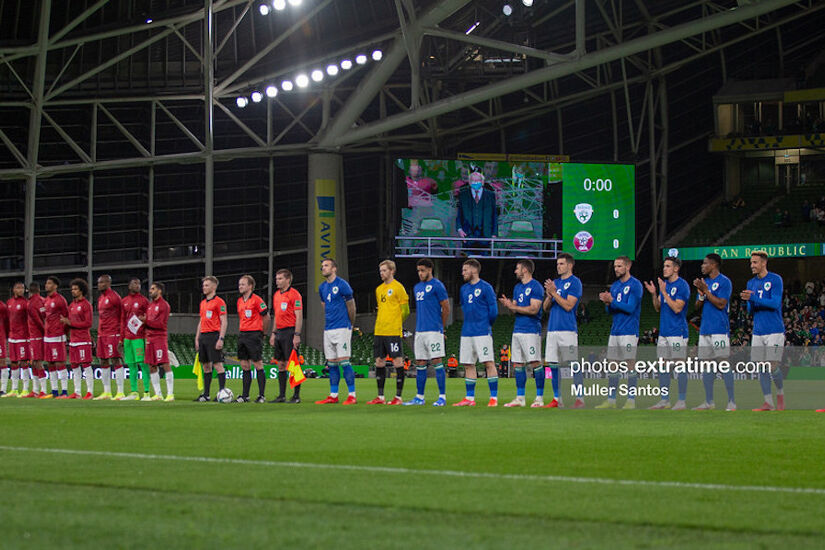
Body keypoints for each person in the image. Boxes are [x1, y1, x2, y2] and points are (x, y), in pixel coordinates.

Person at [596, 256, 643, 409]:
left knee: (630, 364)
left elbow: (630, 308)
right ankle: (611, 400)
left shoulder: (635, 285)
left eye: (619, 266)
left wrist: (612, 301)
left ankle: (631, 400)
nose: (616, 269)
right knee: (613, 366)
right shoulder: (615, 286)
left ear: (628, 266)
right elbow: (610, 311)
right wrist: (607, 302)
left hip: (629, 331)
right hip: (615, 330)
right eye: (615, 266)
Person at [691, 253, 735, 411]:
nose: (702, 266)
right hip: (705, 330)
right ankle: (709, 402)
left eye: (705, 263)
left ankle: (731, 402)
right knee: (707, 366)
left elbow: (721, 304)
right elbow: (697, 306)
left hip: (719, 329)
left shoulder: (724, 281)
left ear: (714, 265)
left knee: (723, 364)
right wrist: (702, 294)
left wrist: (706, 291)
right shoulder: (705, 282)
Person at [741, 251, 785, 411]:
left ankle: (780, 394)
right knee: (761, 366)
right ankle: (768, 402)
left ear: (763, 263)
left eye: (755, 263)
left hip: (774, 329)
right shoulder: (750, 283)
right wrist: (748, 301)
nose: (752, 266)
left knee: (772, 365)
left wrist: (753, 299)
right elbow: (750, 310)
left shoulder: (775, 279)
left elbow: (774, 303)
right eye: (751, 263)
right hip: (758, 330)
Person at [645, 257, 690, 410]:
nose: (664, 269)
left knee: (679, 367)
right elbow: (658, 307)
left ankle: (682, 401)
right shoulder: (666, 285)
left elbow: (677, 308)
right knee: (663, 367)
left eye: (667, 266)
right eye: (664, 266)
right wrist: (654, 293)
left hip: (677, 332)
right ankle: (665, 400)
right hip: (664, 332)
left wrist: (664, 292)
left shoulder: (682, 285)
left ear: (676, 269)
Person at [454, 259, 499, 407]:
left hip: (482, 331)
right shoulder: (463, 289)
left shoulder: (486, 287)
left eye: (465, 270)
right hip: (467, 332)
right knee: (468, 364)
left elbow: (494, 311)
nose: (463, 273)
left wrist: (486, 325)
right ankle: (469, 398)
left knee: (488, 363)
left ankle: (493, 398)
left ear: (474, 270)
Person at [499, 259, 544, 408]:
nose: (515, 271)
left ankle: (539, 397)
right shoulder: (517, 288)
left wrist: (515, 307)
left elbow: (534, 309)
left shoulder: (536, 286)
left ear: (525, 270)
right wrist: (509, 306)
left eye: (517, 268)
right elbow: (515, 310)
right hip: (517, 330)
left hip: (531, 330)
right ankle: (520, 398)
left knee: (535, 362)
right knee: (518, 364)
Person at [405, 258, 450, 406]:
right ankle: (419, 397)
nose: (420, 273)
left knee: (437, 361)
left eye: (422, 270)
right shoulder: (417, 287)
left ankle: (442, 397)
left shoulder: (437, 286)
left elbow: (446, 308)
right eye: (418, 270)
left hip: (433, 330)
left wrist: (440, 328)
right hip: (420, 331)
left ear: (430, 270)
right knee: (420, 362)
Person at [543, 253, 583, 408]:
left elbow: (568, 306)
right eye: (557, 264)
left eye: (561, 264)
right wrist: (548, 296)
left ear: (570, 265)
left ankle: (580, 398)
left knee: (573, 364)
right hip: (552, 329)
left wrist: (553, 293)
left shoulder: (575, 282)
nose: (558, 266)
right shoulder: (556, 283)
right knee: (553, 364)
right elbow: (545, 308)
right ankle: (556, 398)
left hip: (567, 329)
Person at [315, 258, 358, 405]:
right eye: (322, 266)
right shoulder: (322, 287)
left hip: (342, 327)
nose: (323, 268)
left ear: (334, 269)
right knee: (331, 363)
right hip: (329, 329)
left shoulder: (342, 284)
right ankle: (333, 395)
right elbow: (324, 305)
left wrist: (350, 325)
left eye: (326, 266)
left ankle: (352, 395)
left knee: (344, 361)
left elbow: (351, 306)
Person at [368, 260, 410, 405]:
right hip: (379, 330)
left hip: (393, 331)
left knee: (398, 361)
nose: (382, 273)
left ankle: (398, 397)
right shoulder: (379, 289)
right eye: (380, 271)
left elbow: (406, 310)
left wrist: (396, 322)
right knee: (379, 361)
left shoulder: (398, 287)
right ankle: (380, 397)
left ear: (392, 271)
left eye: (384, 270)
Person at [235, 274, 270, 403]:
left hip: (254, 334)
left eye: (243, 284)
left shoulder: (257, 300)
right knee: (244, 365)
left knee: (257, 363)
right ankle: (245, 395)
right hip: (242, 334)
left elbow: (266, 317)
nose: (240, 286)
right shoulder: (239, 301)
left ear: (250, 286)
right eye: (239, 284)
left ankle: (261, 395)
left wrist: (263, 333)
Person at [270, 269, 302, 403]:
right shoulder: (276, 295)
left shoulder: (295, 294)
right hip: (280, 333)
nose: (277, 281)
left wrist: (297, 334)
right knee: (281, 364)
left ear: (288, 280)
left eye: (280, 279)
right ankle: (281, 395)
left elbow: (299, 316)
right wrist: (273, 333)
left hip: (290, 332)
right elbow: (277, 316)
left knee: (293, 363)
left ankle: (296, 396)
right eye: (277, 279)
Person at [194, 276, 228, 402]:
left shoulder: (219, 302)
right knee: (206, 366)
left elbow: (224, 321)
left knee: (218, 365)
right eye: (203, 285)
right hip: (203, 336)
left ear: (214, 287)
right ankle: (206, 394)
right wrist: (197, 337)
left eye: (207, 285)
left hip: (214, 335)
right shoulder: (203, 303)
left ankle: (222, 392)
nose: (204, 287)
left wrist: (221, 338)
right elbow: (201, 320)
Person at [62, 279, 95, 400]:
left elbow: (88, 323)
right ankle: (77, 392)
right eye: (72, 289)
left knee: (86, 365)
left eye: (75, 289)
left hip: (83, 339)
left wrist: (70, 322)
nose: (73, 291)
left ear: (82, 290)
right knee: (74, 366)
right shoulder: (71, 306)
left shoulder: (86, 305)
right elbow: (68, 323)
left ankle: (90, 392)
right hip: (73, 340)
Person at [96, 274, 126, 400]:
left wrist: (121, 336)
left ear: (108, 283)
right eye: (98, 283)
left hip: (113, 333)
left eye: (102, 282)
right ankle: (107, 392)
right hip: (102, 334)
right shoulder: (100, 298)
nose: (99, 285)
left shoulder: (114, 297)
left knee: (115, 359)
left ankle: (120, 392)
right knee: (103, 360)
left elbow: (122, 316)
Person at [121, 278, 151, 400]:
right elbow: (122, 320)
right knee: (131, 365)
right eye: (134, 283)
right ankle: (134, 392)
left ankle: (147, 392)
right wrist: (121, 338)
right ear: (129, 286)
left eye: (139, 284)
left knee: (143, 364)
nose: (137, 285)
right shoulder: (124, 301)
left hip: (139, 337)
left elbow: (148, 318)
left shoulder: (144, 301)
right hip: (128, 338)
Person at [143, 282, 173, 401]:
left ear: (159, 291)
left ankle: (170, 394)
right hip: (149, 339)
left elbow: (161, 324)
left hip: (159, 338)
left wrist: (146, 321)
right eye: (150, 289)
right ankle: (158, 394)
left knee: (165, 364)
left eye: (153, 289)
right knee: (151, 366)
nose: (150, 291)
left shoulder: (164, 305)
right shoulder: (150, 306)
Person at [455, 172, 498, 254]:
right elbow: (459, 215)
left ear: (482, 182)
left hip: (486, 236)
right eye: (473, 181)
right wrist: (459, 229)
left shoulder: (490, 195)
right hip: (468, 236)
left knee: (485, 263)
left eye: (478, 180)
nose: (476, 182)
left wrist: (494, 234)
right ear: (470, 182)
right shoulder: (463, 195)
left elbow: (494, 215)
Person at [42, 276, 69, 398]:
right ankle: (54, 391)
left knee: (60, 363)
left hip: (57, 335)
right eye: (46, 283)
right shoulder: (46, 300)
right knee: (50, 363)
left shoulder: (60, 300)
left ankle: (64, 391)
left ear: (55, 286)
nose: (46, 285)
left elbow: (66, 317)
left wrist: (63, 332)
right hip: (47, 335)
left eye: (49, 283)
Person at [6, 282, 30, 398]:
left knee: (24, 362)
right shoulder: (9, 303)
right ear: (13, 289)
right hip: (12, 337)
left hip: (23, 337)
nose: (20, 290)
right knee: (13, 362)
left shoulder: (26, 303)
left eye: (22, 288)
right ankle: (14, 389)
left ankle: (25, 389)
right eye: (18, 288)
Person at [27, 282, 48, 398]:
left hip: (36, 336)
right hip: (35, 335)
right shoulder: (42, 300)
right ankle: (36, 390)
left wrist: (44, 331)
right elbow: (45, 317)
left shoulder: (31, 303)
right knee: (35, 362)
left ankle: (43, 390)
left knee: (37, 362)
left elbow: (38, 320)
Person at [0, 294, 9, 397]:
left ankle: (3, 389)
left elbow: (7, 322)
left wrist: (5, 335)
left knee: (2, 361)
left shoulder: (2, 306)